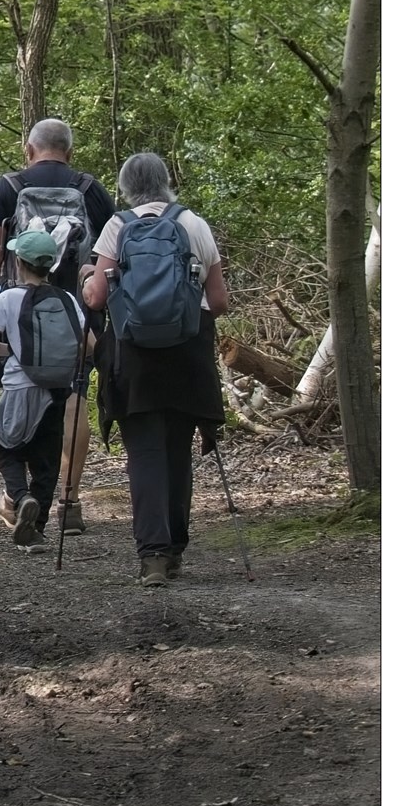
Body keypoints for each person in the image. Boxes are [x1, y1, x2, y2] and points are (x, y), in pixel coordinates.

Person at [84, 152, 232, 586]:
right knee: (176, 452)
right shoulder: (194, 224)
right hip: (187, 353)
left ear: (126, 187)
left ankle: (152, 555)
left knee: (145, 454)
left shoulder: (118, 226)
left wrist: (90, 275)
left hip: (134, 357)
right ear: (167, 182)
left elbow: (95, 299)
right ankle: (176, 551)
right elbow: (219, 302)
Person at [0, 118, 119, 535]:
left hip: (18, 316)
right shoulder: (90, 189)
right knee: (73, 401)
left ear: (28, 149)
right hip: (78, 311)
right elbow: (113, 251)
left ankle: (20, 492)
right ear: (68, 152)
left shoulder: (9, 188)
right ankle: (69, 501)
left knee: (21, 399)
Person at [0, 227, 89, 547]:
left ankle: (21, 498)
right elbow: (86, 344)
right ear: (50, 264)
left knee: (8, 450)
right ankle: (35, 529)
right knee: (46, 463)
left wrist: (13, 351)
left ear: (19, 262)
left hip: (19, 389)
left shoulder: (9, 297)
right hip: (57, 391)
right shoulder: (66, 299)